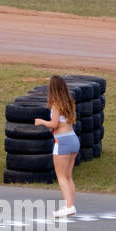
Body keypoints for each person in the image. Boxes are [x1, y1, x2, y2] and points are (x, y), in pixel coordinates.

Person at [35, 75, 79, 217]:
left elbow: (54, 124)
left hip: (62, 142)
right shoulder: (69, 103)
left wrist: (41, 121)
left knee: (61, 176)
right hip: (73, 139)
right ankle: (71, 204)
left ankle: (69, 206)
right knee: (68, 175)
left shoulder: (56, 105)